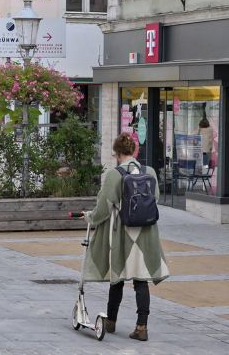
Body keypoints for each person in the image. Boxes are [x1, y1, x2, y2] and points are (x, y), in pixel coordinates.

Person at [82, 133, 169, 342]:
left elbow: (104, 207)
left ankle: (110, 322)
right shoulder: (150, 172)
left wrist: (90, 218)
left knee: (117, 279)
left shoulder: (115, 174)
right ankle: (142, 327)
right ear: (134, 151)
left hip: (123, 234)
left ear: (117, 153)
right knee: (141, 281)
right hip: (146, 233)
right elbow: (154, 198)